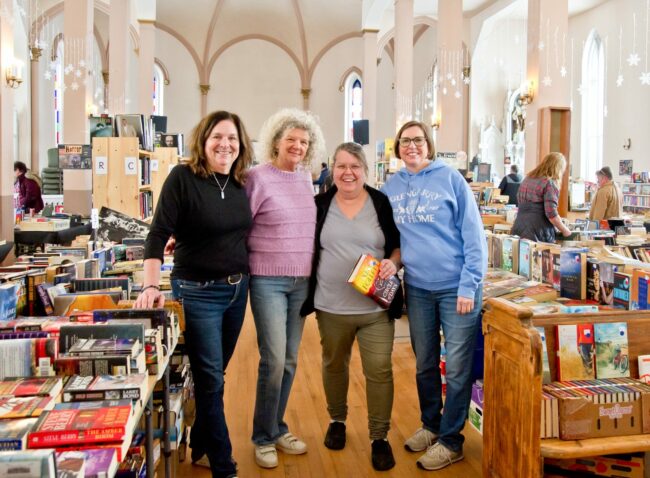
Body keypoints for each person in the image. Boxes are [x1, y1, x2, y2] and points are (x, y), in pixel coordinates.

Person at [135, 110, 254, 478]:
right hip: (197, 293)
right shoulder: (182, 177)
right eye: (217, 136)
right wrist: (150, 285)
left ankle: (201, 444)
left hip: (237, 291)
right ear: (203, 141)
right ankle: (224, 465)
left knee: (214, 375)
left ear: (241, 144)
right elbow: (158, 233)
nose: (225, 144)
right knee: (210, 379)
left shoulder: (242, 182)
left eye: (232, 138)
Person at [381, 120, 487, 472]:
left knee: (456, 368)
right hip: (418, 288)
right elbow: (392, 238)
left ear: (429, 144)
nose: (412, 145)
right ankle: (431, 424)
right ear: (398, 147)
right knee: (425, 362)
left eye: (418, 139)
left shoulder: (451, 179)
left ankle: (451, 441)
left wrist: (469, 284)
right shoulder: (392, 186)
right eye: (405, 140)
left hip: (457, 288)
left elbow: (474, 236)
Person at [300, 142, 403, 471]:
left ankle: (379, 437)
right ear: (333, 169)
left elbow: (397, 246)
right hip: (331, 306)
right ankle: (337, 420)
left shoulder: (380, 202)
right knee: (334, 364)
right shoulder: (319, 204)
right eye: (341, 166)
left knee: (379, 370)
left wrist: (393, 263)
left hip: (375, 309)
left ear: (365, 170)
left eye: (355, 166)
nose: (348, 172)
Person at [245, 108, 325, 469]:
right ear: (276, 141)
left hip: (301, 281)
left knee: (290, 360)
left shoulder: (306, 178)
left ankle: (276, 427)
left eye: (304, 142)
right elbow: (239, 225)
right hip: (268, 280)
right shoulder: (256, 177)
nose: (297, 146)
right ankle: (262, 437)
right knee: (274, 359)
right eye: (291, 139)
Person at [511, 152, 572, 242]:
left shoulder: (527, 179)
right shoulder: (549, 183)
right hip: (538, 230)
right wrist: (565, 230)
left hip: (519, 226)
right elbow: (551, 214)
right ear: (558, 168)